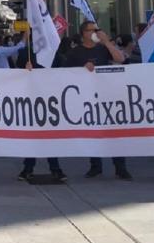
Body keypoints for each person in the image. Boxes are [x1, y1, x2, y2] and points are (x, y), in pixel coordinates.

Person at [64, 20, 131, 180]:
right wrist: (81, 70)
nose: (95, 32)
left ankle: (120, 167)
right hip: (87, 98)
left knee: (114, 132)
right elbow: (65, 73)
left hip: (107, 97)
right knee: (92, 132)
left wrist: (107, 42)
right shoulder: (75, 53)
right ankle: (95, 166)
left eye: (97, 29)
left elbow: (120, 58)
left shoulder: (103, 48)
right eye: (91, 30)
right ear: (83, 34)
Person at [15, 42, 67, 182]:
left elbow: (63, 72)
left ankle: (54, 168)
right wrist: (24, 70)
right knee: (32, 135)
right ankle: (28, 168)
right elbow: (16, 73)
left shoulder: (54, 52)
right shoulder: (25, 53)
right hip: (31, 98)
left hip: (50, 99)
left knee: (49, 135)